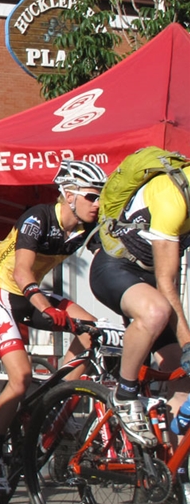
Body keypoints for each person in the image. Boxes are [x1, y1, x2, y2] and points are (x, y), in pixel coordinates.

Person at [0, 159, 104, 491]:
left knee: (90, 329)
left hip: (31, 295)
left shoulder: (86, 226)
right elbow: (22, 272)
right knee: (20, 378)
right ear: (69, 194)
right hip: (2, 292)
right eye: (92, 196)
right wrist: (45, 306)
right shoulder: (38, 217)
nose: (98, 204)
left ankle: (57, 408)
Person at [89, 150, 190, 448]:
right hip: (115, 268)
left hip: (151, 281)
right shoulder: (172, 198)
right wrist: (188, 345)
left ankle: (165, 478)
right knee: (156, 311)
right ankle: (124, 393)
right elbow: (166, 284)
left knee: (182, 380)